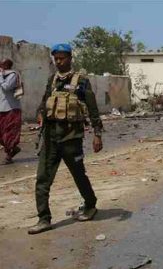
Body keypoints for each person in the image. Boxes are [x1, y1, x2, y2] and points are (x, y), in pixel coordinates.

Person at [28, 43, 104, 234]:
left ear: (70, 58)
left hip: (71, 138)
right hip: (50, 137)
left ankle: (90, 205)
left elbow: (93, 109)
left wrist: (97, 134)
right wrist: (40, 113)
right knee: (42, 179)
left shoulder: (81, 81)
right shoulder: (52, 80)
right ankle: (44, 219)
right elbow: (44, 103)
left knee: (79, 175)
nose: (58, 62)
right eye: (56, 59)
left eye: (62, 58)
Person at [0, 59, 22, 164]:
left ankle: (9, 155)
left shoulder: (12, 75)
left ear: (7, 65)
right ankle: (14, 149)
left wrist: (0, 76)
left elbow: (6, 87)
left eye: (2, 64)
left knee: (9, 134)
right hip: (1, 108)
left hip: (11, 108)